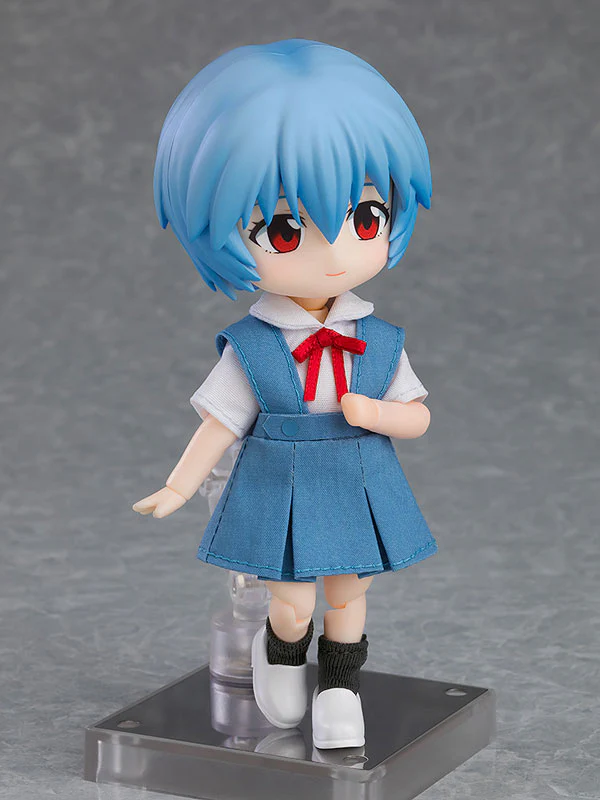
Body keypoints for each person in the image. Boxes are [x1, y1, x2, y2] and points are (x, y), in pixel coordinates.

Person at [133, 39, 437, 749]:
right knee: (294, 599)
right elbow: (220, 420)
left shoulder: (380, 340)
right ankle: (279, 649)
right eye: (283, 229)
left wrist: (377, 413)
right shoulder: (253, 346)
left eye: (365, 217)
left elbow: (418, 417)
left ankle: (341, 690)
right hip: (280, 480)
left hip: (357, 475)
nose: (334, 253)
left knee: (350, 594)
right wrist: (179, 487)